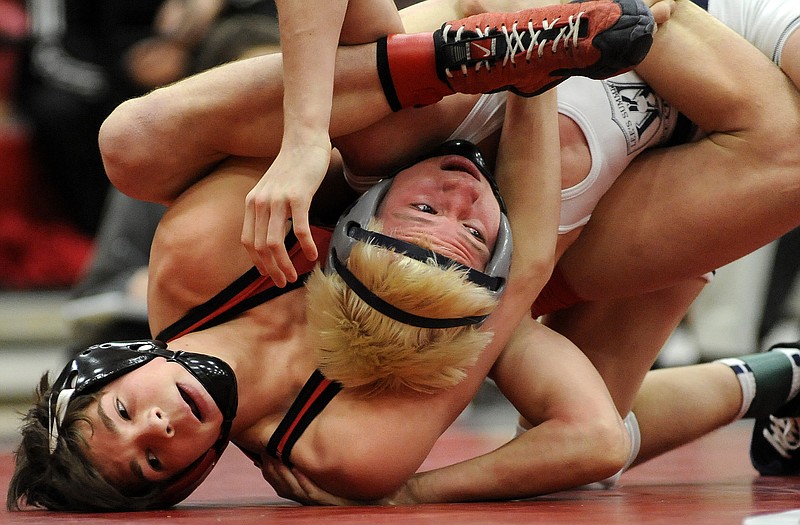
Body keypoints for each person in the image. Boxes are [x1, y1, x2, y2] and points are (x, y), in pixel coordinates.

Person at [7, 0, 800, 511]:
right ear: (188, 482)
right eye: (155, 460)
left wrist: (303, 139)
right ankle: (789, 375)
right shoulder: (343, 446)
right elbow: (521, 300)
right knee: (590, 420)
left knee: (132, 143)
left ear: (114, 361)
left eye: (125, 410)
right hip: (530, 213)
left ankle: (462, 53)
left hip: (437, 130)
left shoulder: (195, 263)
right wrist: (412, 488)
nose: (161, 424)